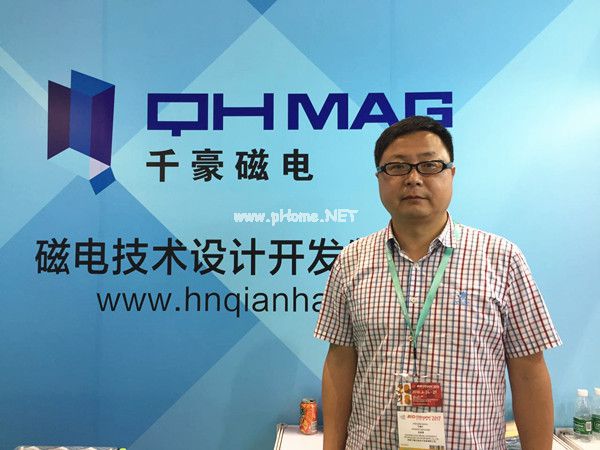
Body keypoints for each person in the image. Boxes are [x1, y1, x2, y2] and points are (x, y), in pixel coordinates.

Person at [314, 116, 561, 449]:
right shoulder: (351, 260)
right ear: (379, 178)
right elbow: (340, 363)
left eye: (429, 165)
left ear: (451, 174)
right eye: (397, 167)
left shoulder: (501, 258)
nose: (413, 178)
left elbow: (529, 371)